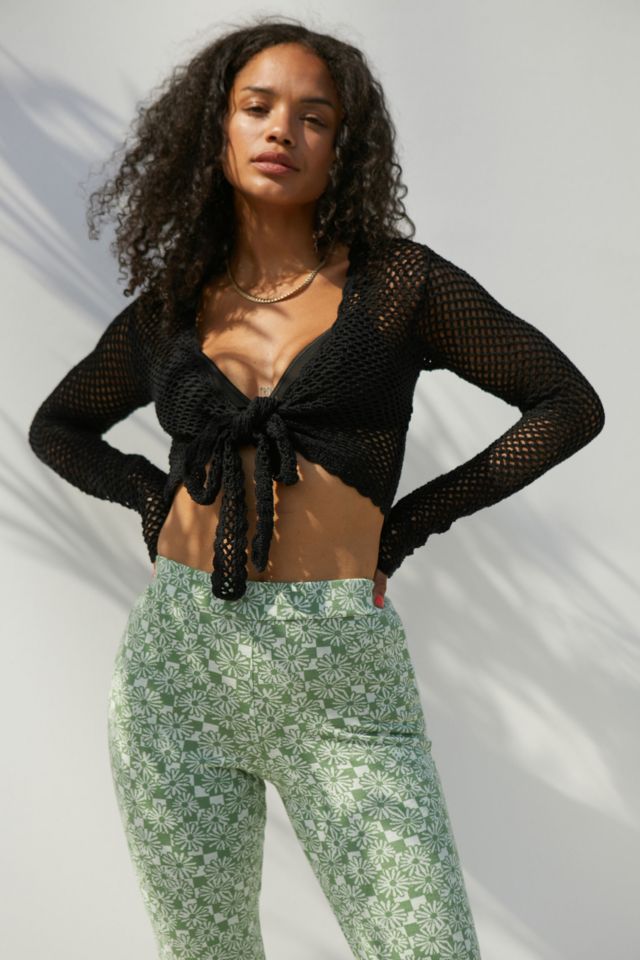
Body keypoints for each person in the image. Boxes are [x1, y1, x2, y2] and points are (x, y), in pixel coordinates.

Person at [27, 16, 605, 960]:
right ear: (217, 131)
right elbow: (57, 425)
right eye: (256, 107)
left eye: (314, 116)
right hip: (177, 669)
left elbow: (567, 404)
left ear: (344, 146)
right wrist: (146, 496)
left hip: (341, 674)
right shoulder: (174, 304)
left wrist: (407, 525)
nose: (281, 130)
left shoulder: (400, 286)